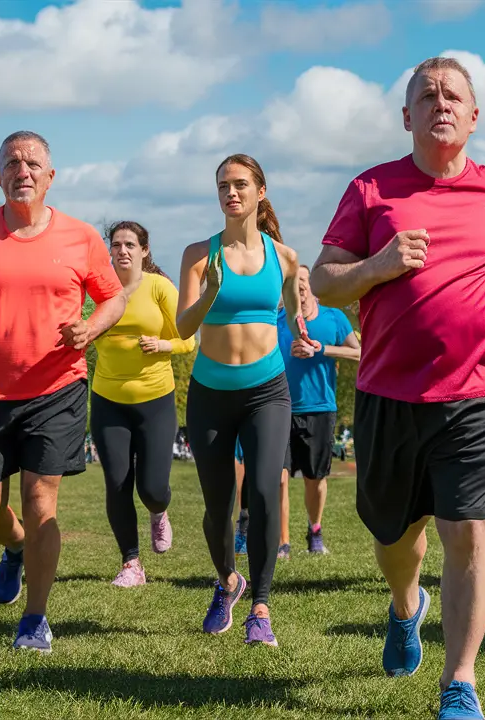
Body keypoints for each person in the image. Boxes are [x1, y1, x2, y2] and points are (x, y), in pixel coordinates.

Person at [310, 56, 485, 720]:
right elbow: (324, 281)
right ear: (406, 116)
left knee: (468, 530)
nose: (441, 103)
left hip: (480, 391)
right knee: (393, 534)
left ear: (473, 115)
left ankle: (459, 680)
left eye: (453, 95)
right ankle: (406, 605)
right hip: (390, 394)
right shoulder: (371, 189)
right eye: (426, 95)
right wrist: (377, 266)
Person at [0, 131, 127, 652]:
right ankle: (15, 548)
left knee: (42, 503)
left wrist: (91, 329)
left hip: (57, 387)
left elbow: (113, 300)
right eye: (12, 162)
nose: (22, 169)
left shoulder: (81, 237)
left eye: (32, 161)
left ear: (50, 175)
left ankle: (35, 619)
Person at [175, 153, 312, 648]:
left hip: (267, 391)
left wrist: (300, 331)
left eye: (239, 184)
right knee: (218, 506)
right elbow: (183, 328)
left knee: (263, 493)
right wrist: (211, 292)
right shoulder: (198, 254)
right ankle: (227, 581)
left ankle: (260, 604)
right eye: (222, 186)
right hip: (211, 392)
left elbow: (294, 307)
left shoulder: (286, 257)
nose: (230, 193)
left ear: (260, 191)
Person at [90, 221, 195, 588]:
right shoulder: (98, 290)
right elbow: (82, 326)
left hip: (155, 399)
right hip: (107, 399)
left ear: (144, 250)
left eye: (130, 244)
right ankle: (131, 563)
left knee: (151, 487)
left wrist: (164, 345)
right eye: (116, 244)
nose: (122, 251)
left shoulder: (159, 287)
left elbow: (188, 338)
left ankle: (159, 510)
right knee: (117, 482)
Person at [278, 264, 361, 556]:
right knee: (279, 477)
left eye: (303, 280)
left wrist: (322, 349)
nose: (299, 285)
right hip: (280, 407)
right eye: (292, 282)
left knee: (315, 479)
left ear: (312, 284)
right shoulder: (278, 321)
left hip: (319, 408)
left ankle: (315, 529)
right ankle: (282, 542)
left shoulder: (333, 317)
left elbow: (360, 352)